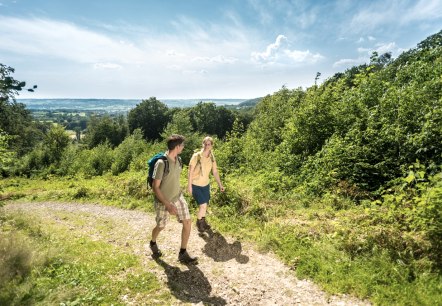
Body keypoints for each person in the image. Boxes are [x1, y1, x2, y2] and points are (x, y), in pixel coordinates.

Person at [150, 134, 198, 264]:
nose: (183, 147)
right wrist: (168, 204)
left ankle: (183, 253)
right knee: (161, 226)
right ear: (177, 147)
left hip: (178, 197)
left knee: (187, 222)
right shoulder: (161, 163)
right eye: (182, 145)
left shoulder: (179, 160)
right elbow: (155, 187)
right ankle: (153, 242)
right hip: (163, 200)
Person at [187, 136, 225, 232]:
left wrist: (220, 184)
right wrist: (189, 186)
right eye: (205, 144)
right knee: (203, 205)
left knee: (205, 205)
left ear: (212, 145)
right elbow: (190, 171)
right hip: (196, 184)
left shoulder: (212, 157)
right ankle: (199, 223)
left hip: (206, 184)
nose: (207, 146)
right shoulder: (197, 156)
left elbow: (215, 172)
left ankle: (203, 222)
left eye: (209, 144)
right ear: (202, 144)